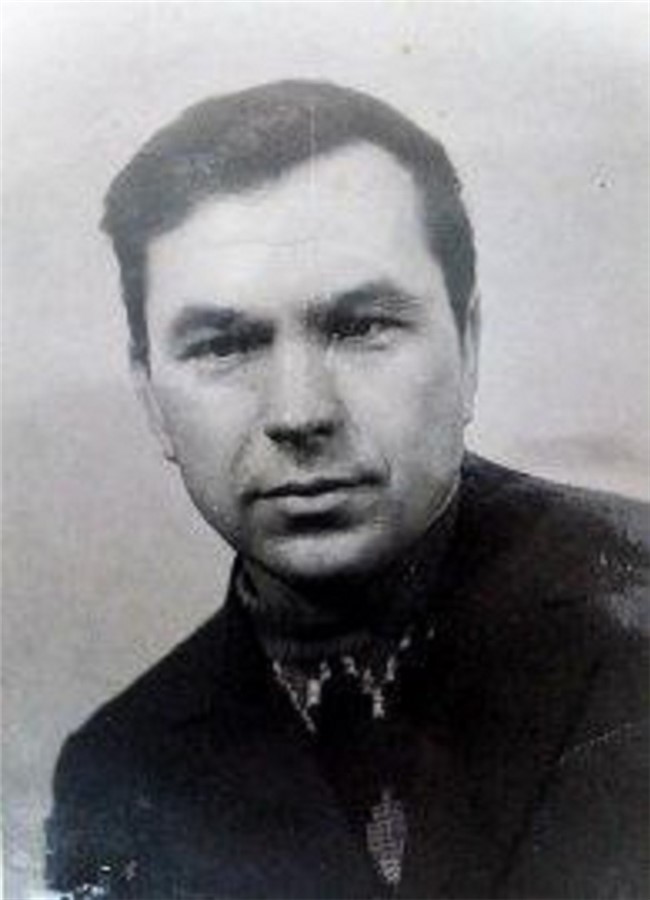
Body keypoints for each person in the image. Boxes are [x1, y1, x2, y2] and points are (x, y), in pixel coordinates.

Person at [45, 80, 648, 900]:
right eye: (223, 345)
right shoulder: (116, 770)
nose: (299, 414)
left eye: (361, 326)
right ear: (151, 397)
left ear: (468, 346)